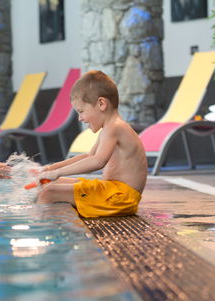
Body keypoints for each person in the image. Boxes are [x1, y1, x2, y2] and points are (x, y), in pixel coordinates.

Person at [36, 70, 147, 217]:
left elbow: (97, 161)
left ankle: (48, 230)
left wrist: (57, 173)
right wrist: (50, 169)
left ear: (101, 104)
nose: (80, 118)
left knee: (48, 193)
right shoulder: (110, 128)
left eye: (81, 111)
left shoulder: (115, 127)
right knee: (48, 183)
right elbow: (89, 155)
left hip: (121, 197)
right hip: (112, 191)